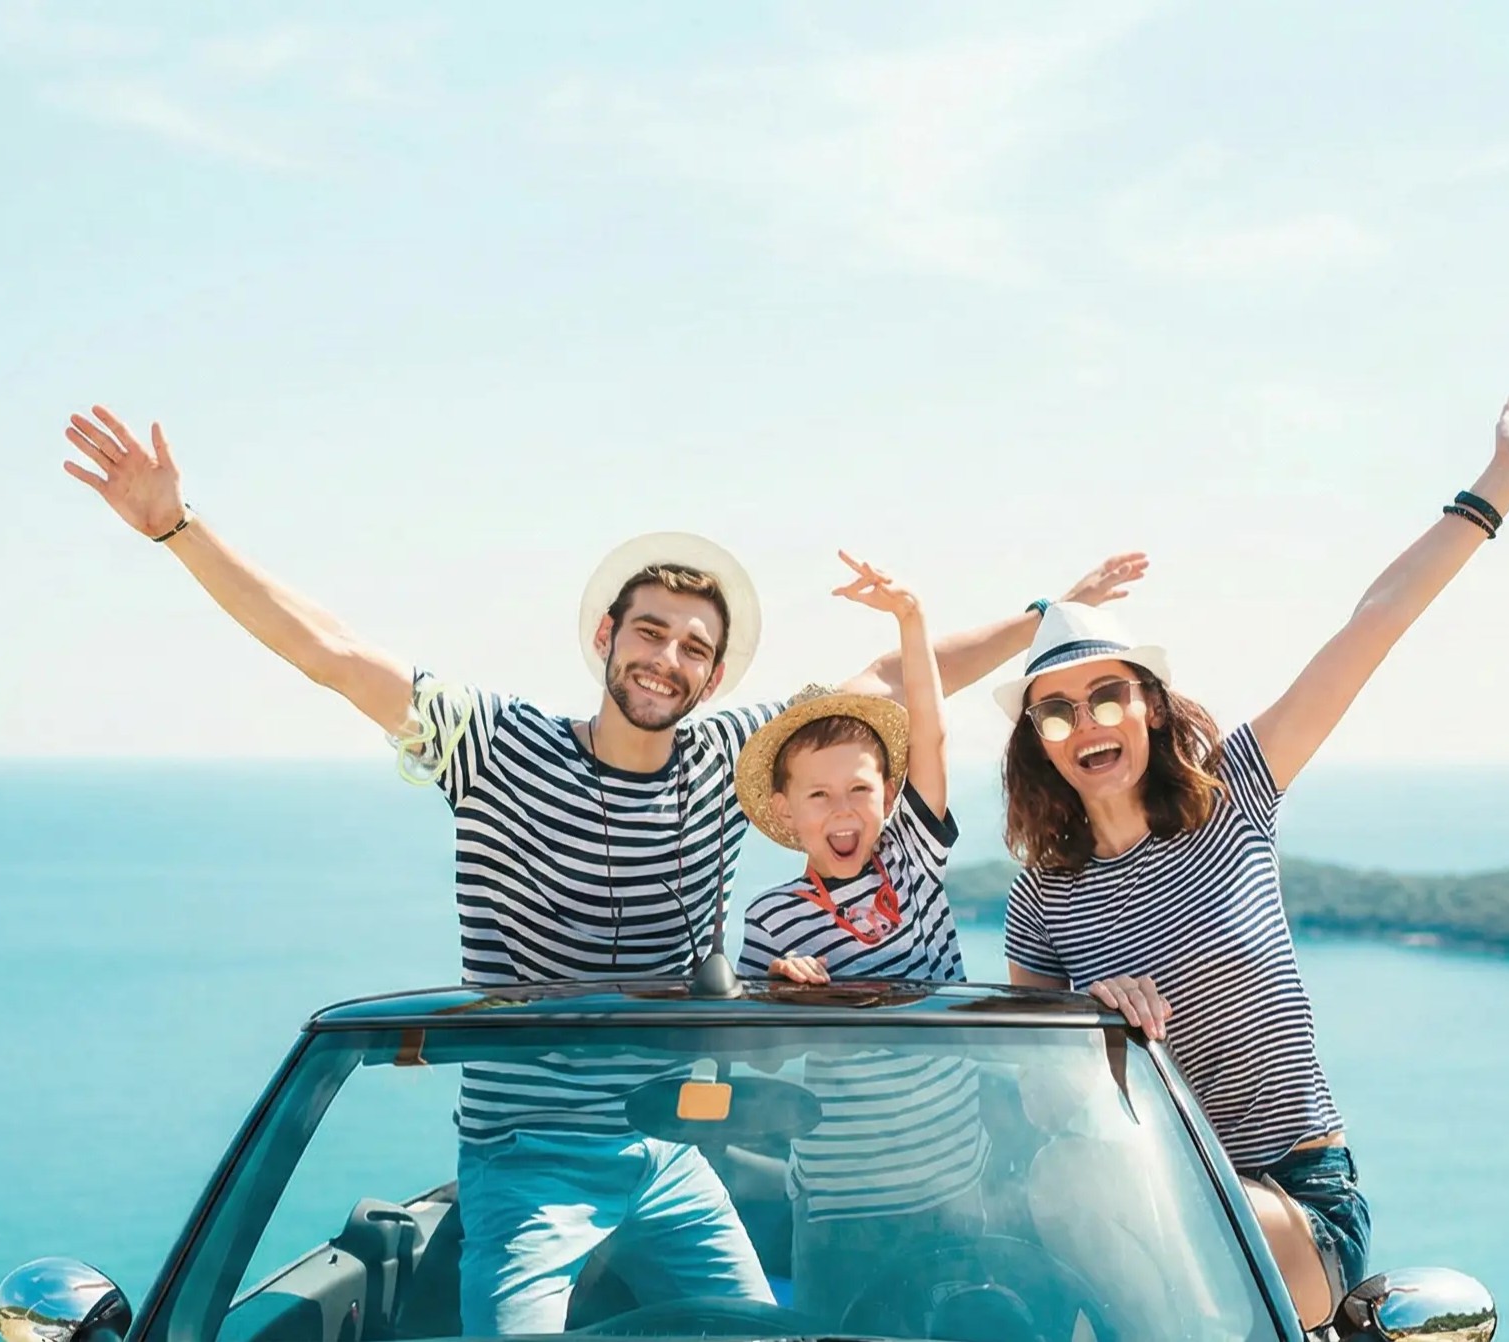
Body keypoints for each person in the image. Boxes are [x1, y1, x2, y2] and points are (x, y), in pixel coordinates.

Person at [58, 403, 1150, 1333]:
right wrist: (179, 530)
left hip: (669, 1151)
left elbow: (895, 681)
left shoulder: (730, 756)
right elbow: (334, 654)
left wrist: (1049, 609)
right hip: (525, 1158)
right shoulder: (496, 745)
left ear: (713, 674)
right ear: (605, 635)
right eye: (650, 631)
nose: (665, 658)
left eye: (691, 647)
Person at [994, 384, 1509, 1330]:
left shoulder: (1235, 796)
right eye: (1055, 710)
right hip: (1138, 1199)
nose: (1083, 723)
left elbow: (1370, 623)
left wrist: (1498, 483)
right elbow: (1034, 1099)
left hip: (1293, 1205)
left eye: (1106, 695)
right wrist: (1084, 1019)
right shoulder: (1040, 898)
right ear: (1037, 739)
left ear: (1148, 704)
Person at [734, 553, 986, 1323]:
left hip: (956, 1187)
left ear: (887, 795)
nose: (840, 810)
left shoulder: (912, 857)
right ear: (786, 808)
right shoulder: (769, 918)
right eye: (817, 794)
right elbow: (754, 1057)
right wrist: (779, 997)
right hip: (839, 1208)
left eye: (859, 790)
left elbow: (933, 740)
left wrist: (911, 619)